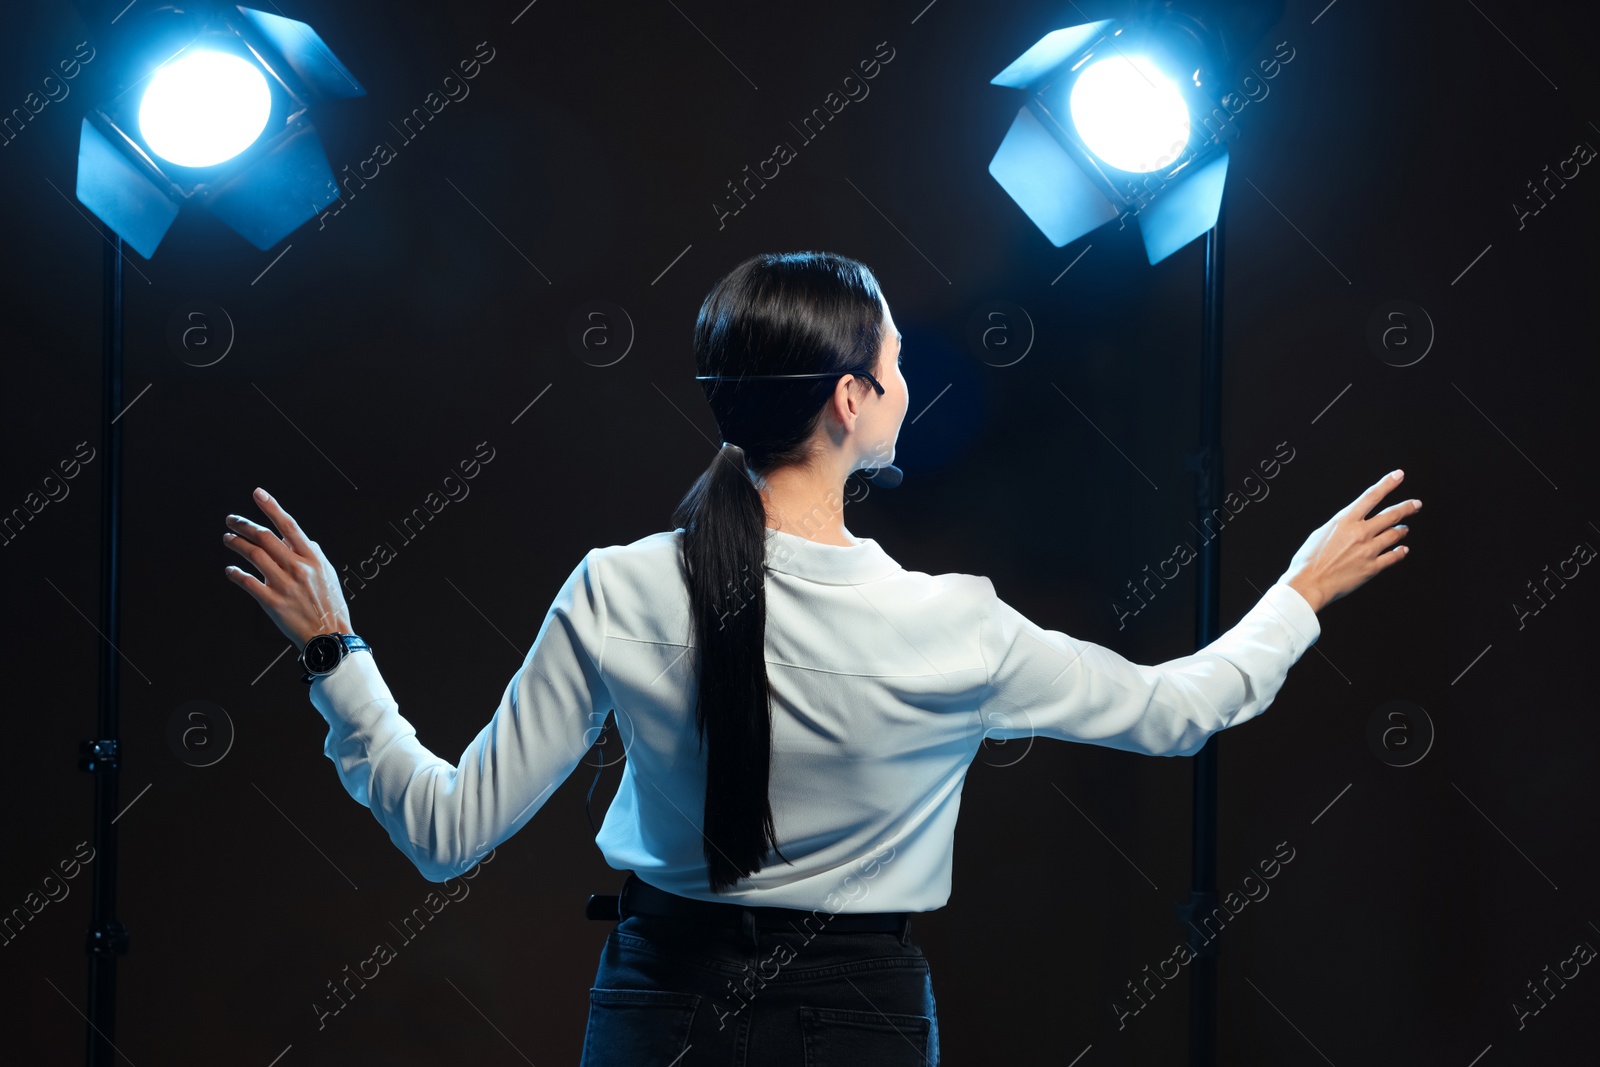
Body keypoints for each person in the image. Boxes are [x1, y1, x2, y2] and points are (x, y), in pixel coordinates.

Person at [219, 251, 1421, 1066]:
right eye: (895, 367)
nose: (906, 385)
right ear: (849, 399)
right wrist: (1301, 586)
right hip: (860, 1021)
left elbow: (442, 830)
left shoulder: (618, 585)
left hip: (654, 1003)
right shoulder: (954, 624)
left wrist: (336, 648)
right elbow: (1181, 708)